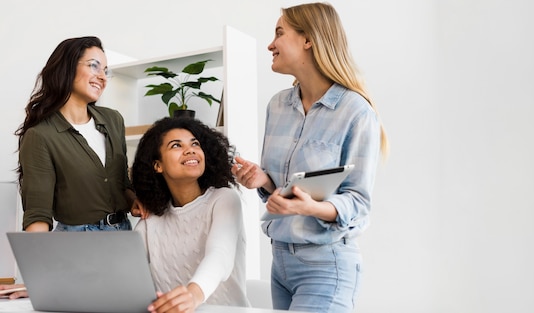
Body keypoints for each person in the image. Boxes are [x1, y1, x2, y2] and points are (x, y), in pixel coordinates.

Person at [231, 2, 388, 313]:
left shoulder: (355, 111)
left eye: (279, 33)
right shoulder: (277, 106)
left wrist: (312, 207)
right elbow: (284, 190)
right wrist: (264, 180)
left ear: (309, 39)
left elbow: (358, 204)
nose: (270, 44)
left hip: (326, 265)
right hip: (280, 263)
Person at [15, 36, 138, 233]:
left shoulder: (113, 120)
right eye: (94, 66)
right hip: (78, 239)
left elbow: (122, 183)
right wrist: (38, 259)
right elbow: (38, 213)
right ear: (68, 67)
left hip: (123, 232)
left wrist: (135, 202)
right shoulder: (41, 136)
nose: (102, 77)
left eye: (106, 71)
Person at [131, 117, 249, 312]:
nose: (190, 150)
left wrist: (193, 295)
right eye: (176, 145)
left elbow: (220, 255)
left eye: (195, 144)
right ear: (157, 165)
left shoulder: (224, 199)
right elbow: (127, 268)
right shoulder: (151, 219)